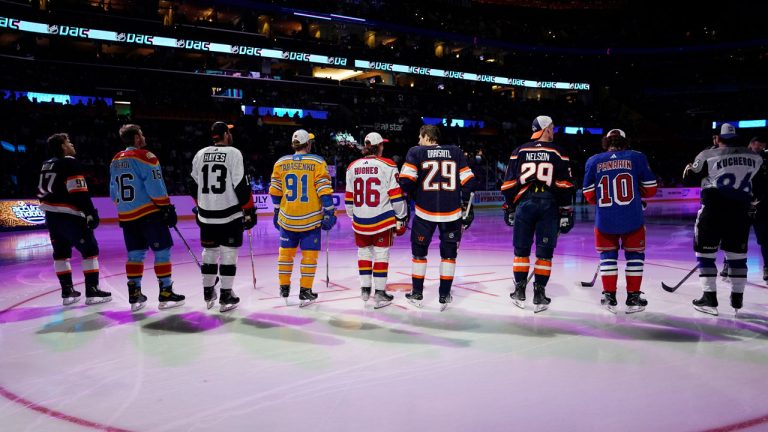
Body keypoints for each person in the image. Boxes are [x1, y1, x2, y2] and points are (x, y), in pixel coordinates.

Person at [682, 123, 763, 315]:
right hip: (740, 213)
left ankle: (709, 298)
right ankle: (737, 298)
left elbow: (689, 178)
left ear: (717, 138)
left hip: (713, 211)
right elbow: (757, 181)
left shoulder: (707, 154)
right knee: (737, 257)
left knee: (705, 255)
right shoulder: (755, 157)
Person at [501, 115, 575, 313]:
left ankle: (519, 291)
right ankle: (539, 294)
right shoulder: (559, 151)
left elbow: (508, 184)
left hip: (524, 205)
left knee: (521, 251)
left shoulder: (519, 150)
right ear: (545, 129)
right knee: (544, 253)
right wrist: (566, 210)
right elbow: (565, 185)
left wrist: (508, 206)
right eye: (551, 127)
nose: (553, 131)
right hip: (548, 206)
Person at [399, 125, 476, 310]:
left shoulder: (416, 152)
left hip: (425, 211)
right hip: (451, 213)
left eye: (420, 136)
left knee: (419, 254)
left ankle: (417, 293)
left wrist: (415, 195)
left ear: (426, 136)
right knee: (449, 256)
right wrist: (465, 204)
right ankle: (444, 294)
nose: (418, 140)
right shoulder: (455, 151)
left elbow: (405, 182)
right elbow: (469, 181)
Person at [110, 124, 184, 312]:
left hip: (127, 215)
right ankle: (166, 291)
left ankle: (134, 294)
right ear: (136, 138)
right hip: (148, 213)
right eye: (141, 134)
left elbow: (113, 191)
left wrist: (124, 207)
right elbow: (155, 185)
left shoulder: (115, 160)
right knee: (162, 250)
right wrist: (166, 206)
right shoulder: (146, 157)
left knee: (135, 254)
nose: (143, 136)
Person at [582, 129, 658, 313]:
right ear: (626, 141)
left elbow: (589, 194)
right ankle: (633, 298)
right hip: (633, 217)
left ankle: (609, 296)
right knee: (635, 257)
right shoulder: (637, 157)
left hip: (605, 219)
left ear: (606, 142)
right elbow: (651, 189)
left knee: (608, 257)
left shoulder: (593, 160)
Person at [190, 122, 256, 312]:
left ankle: (208, 291)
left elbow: (191, 184)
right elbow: (241, 186)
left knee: (209, 252)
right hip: (229, 213)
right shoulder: (234, 153)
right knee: (228, 252)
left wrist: (201, 205)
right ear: (226, 134)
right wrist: (249, 210)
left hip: (206, 215)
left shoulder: (200, 154)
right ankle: (226, 294)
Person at [38, 133, 111, 306]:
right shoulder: (69, 162)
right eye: (69, 142)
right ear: (63, 146)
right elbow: (78, 191)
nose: (72, 144)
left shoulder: (46, 164)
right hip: (70, 216)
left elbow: (42, 191)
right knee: (90, 251)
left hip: (51, 217)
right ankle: (92, 291)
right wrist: (91, 212)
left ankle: (67, 292)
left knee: (61, 254)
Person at [269, 129, 336, 307]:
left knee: (285, 254)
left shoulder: (280, 162)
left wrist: (277, 212)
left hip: (287, 218)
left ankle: (284, 287)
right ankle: (305, 291)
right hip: (310, 220)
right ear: (308, 144)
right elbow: (324, 191)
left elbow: (275, 192)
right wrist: (329, 211)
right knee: (309, 257)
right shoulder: (317, 162)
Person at [344, 132, 408, 309]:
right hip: (382, 219)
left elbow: (349, 198)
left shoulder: (352, 166)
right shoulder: (388, 164)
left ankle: (365, 289)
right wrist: (402, 216)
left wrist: (353, 215)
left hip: (360, 220)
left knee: (363, 253)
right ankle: (379, 293)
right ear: (379, 146)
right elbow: (396, 196)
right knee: (381, 254)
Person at [720, 136, 768, 282]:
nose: (760, 148)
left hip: (762, 207)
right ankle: (728, 264)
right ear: (751, 144)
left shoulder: (765, 161)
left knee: (765, 239)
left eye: (762, 146)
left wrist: (761, 200)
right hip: (742, 206)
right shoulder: (739, 159)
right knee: (734, 237)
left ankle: (767, 268)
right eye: (758, 145)